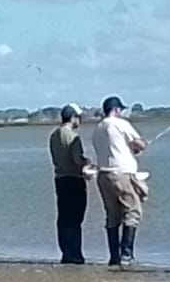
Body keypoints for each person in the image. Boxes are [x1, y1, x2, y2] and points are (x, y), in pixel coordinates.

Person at [91, 95, 147, 267]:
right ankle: (126, 255)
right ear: (115, 110)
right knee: (132, 211)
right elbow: (140, 144)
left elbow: (112, 149)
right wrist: (141, 145)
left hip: (103, 175)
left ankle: (114, 257)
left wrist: (131, 150)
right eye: (120, 110)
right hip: (121, 174)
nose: (122, 112)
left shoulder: (98, 128)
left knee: (112, 215)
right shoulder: (120, 124)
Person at [48, 103, 92, 264]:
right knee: (75, 219)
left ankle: (66, 252)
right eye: (79, 117)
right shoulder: (73, 137)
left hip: (60, 179)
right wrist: (87, 163)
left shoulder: (53, 135)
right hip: (74, 179)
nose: (80, 121)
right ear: (73, 117)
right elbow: (77, 160)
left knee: (63, 218)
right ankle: (76, 254)